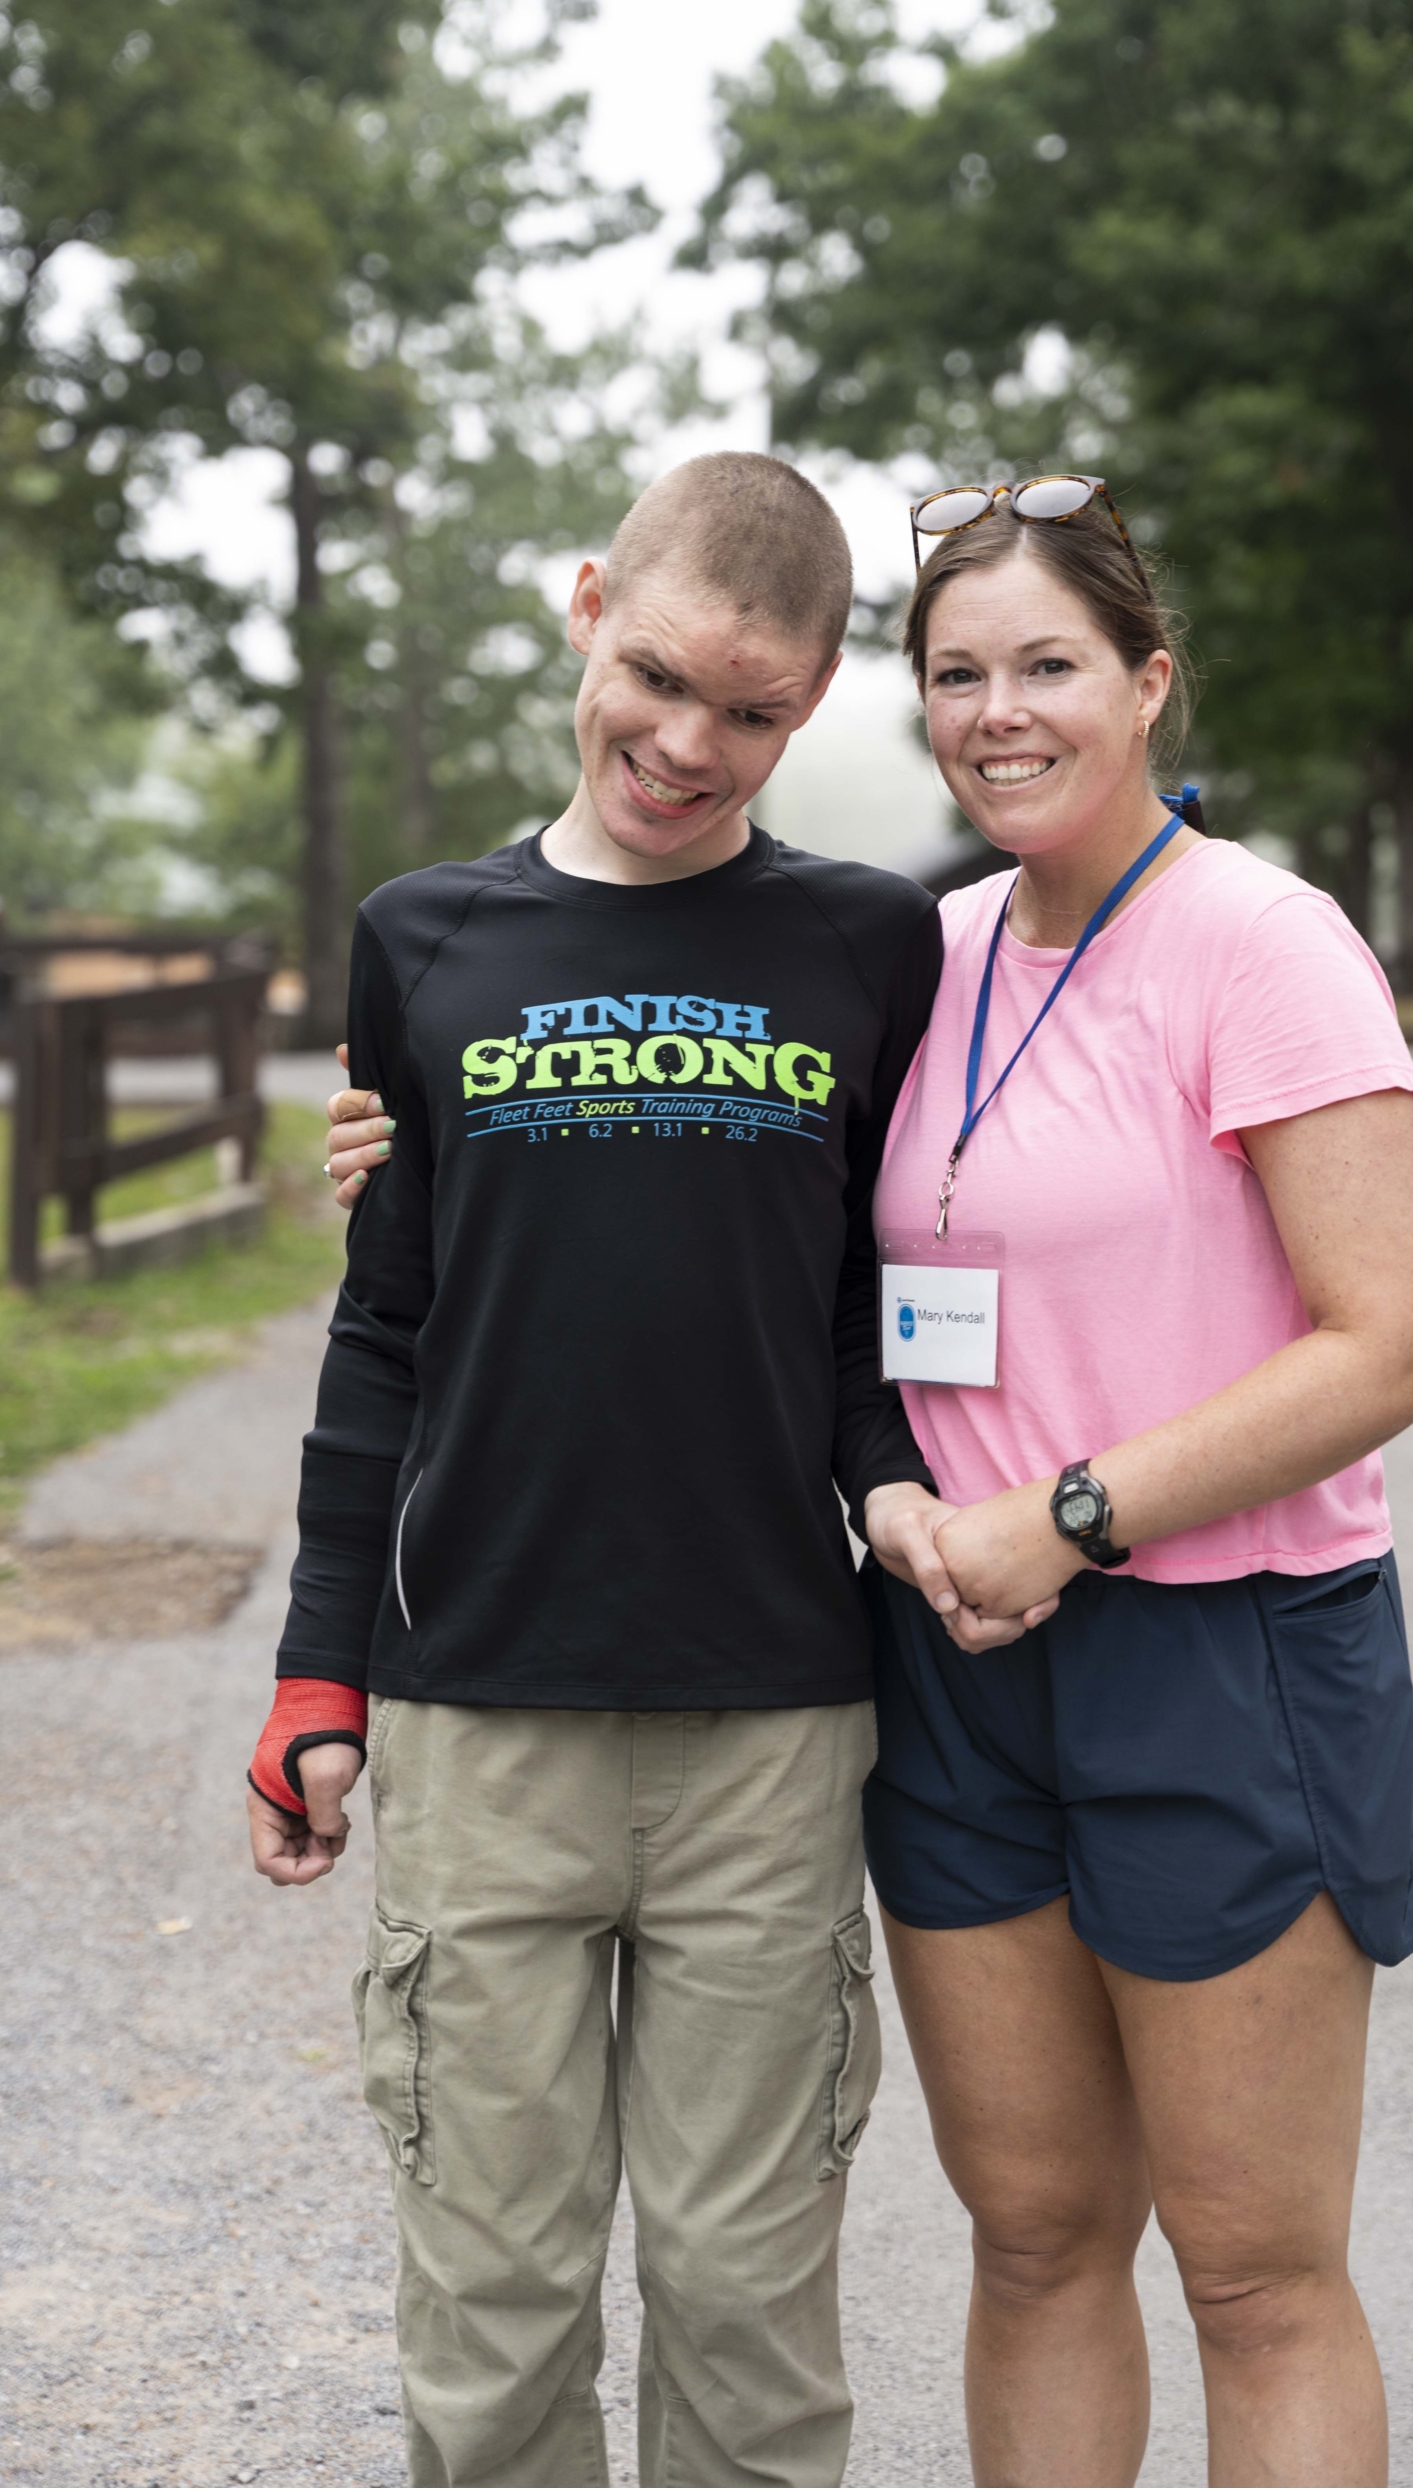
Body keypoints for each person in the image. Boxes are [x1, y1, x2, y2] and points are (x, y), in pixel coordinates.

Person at [248, 451, 1050, 2488]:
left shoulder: (869, 944)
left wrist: (894, 1484)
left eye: (754, 708)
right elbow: (383, 1335)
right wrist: (314, 1673)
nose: (687, 743)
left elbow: (891, 1285)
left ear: (811, 702)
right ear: (588, 604)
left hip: (768, 1731)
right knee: (495, 2313)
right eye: (660, 676)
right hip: (479, 1717)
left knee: (746, 2308)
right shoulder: (419, 940)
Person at [847, 475, 1413, 2488]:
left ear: (1145, 680)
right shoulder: (910, 955)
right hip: (954, 1663)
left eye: (1046, 664)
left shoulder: (1259, 943)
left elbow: (1389, 1341)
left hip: (1225, 1660)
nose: (998, 709)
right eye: (957, 672)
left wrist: (1074, 1510)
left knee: (1253, 2273)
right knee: (1028, 2236)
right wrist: (409, 1143)